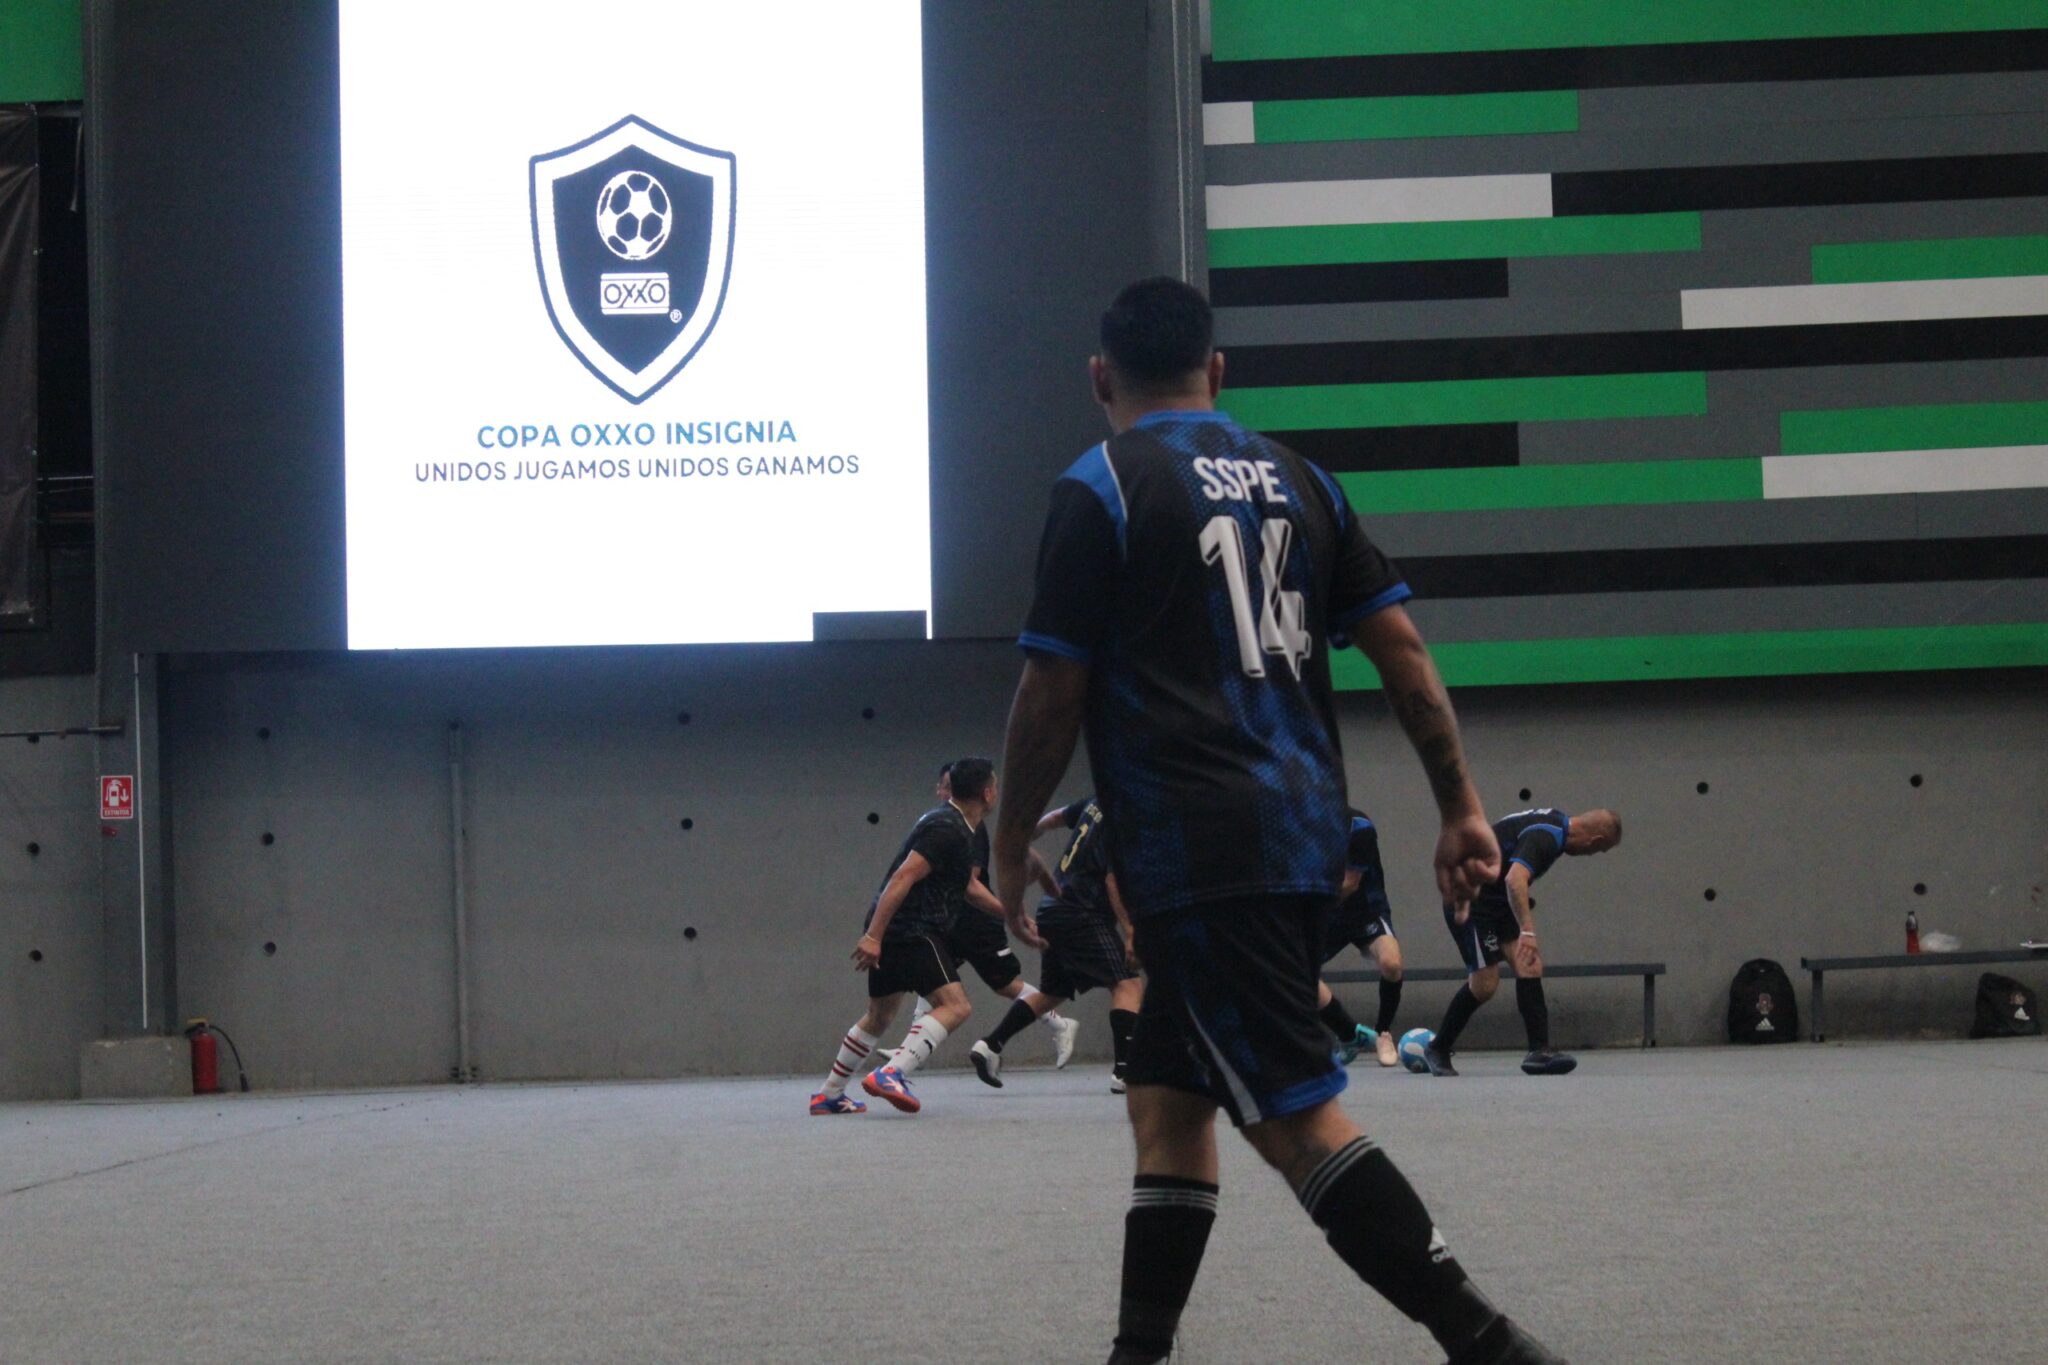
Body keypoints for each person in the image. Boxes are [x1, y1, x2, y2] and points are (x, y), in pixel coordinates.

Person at [991, 277, 1560, 1364]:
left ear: (1100, 377)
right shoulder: (1305, 481)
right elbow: (1403, 652)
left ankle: (1490, 1344)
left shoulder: (1100, 485)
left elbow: (1050, 692)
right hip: (1301, 834)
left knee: (1295, 1120)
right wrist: (1460, 807)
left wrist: (1010, 841)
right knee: (1167, 1100)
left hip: (1197, 851)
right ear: (1218, 371)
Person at [808, 757, 997, 1116]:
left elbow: (968, 887)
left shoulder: (958, 827)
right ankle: (892, 1072)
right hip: (912, 929)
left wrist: (1011, 915)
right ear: (988, 793)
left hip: (898, 928)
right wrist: (873, 936)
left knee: (879, 1015)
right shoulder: (947, 828)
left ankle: (829, 1095)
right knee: (956, 1006)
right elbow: (903, 877)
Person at [1421, 807, 1624, 1079]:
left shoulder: (1555, 821)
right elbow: (1515, 879)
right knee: (1485, 984)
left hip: (1494, 900)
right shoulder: (1547, 837)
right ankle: (1437, 1048)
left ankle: (1538, 1051)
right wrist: (1527, 931)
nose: (1591, 855)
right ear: (1594, 841)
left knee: (1529, 964)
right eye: (1598, 851)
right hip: (1469, 900)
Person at [969, 796, 1143, 1093]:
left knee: (1053, 993)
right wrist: (1130, 932)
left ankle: (990, 1045)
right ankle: (1125, 1072)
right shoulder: (1128, 812)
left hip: (1052, 908)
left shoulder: (1096, 800)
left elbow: (1054, 819)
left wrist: (1027, 836)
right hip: (1082, 911)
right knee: (1127, 984)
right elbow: (1113, 880)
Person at [916, 764, 1080, 1067]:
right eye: (942, 787)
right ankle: (910, 1049)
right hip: (950, 919)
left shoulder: (971, 828)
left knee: (1004, 984)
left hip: (977, 921)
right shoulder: (938, 823)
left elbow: (971, 883)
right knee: (934, 976)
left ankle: (1059, 1023)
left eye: (950, 788)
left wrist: (1012, 913)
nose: (944, 793)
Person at [1316, 809, 1405, 1068]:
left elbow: (1350, 883)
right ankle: (1348, 1035)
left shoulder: (1359, 827)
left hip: (1366, 911)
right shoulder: (1300, 827)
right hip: (1327, 917)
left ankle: (1383, 1033)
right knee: (1297, 972)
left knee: (1392, 964)